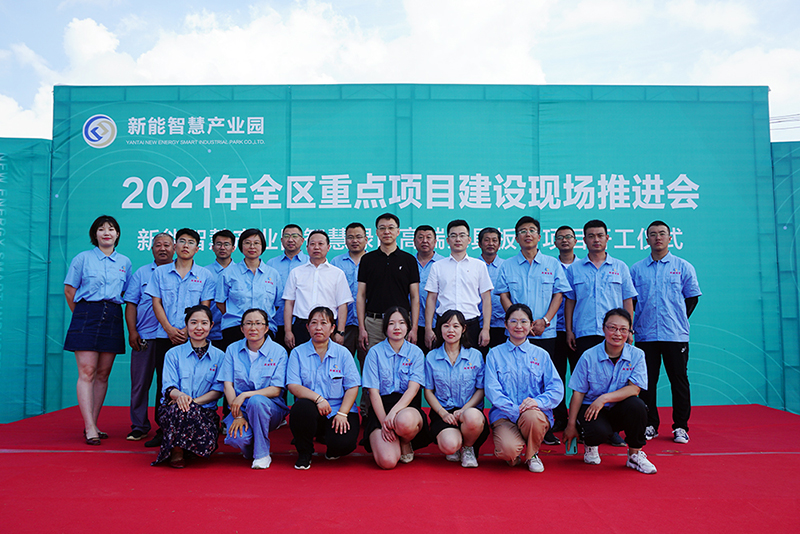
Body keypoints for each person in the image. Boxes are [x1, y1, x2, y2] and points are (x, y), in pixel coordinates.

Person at [495, 216, 570, 445]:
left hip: (545, 332)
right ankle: (515, 420)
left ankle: (545, 424)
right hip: (517, 334)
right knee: (517, 376)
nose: (527, 234)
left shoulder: (552, 264)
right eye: (522, 231)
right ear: (516, 238)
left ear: (539, 236)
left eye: (532, 230)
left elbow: (559, 294)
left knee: (546, 379)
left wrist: (545, 320)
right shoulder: (508, 265)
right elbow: (503, 295)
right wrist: (518, 323)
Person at [564, 220, 636, 448]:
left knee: (614, 382)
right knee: (586, 385)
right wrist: (569, 330)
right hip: (584, 332)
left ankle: (612, 430)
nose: (596, 239)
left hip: (615, 335)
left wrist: (629, 329)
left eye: (600, 235)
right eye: (591, 236)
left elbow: (627, 300)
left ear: (607, 238)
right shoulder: (575, 269)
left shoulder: (620, 267)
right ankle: (584, 426)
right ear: (584, 240)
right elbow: (570, 301)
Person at [631, 221, 701, 443]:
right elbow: (631, 302)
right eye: (653, 234)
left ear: (670, 238)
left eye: (662, 234)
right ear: (647, 239)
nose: (657, 237)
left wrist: (677, 319)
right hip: (645, 334)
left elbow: (692, 298)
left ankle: (680, 426)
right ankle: (650, 424)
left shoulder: (683, 267)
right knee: (647, 382)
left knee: (678, 380)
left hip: (674, 335)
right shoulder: (637, 269)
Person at [64, 215, 132, 445]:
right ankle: (89, 427)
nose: (106, 233)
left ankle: (93, 422)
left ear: (117, 234)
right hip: (86, 314)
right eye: (101, 229)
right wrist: (82, 315)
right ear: (95, 234)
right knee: (87, 371)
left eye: (111, 229)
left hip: (112, 315)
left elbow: (126, 293)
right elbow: (70, 291)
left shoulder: (125, 262)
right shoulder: (82, 258)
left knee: (103, 374)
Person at [145, 228, 216, 448]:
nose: (186, 245)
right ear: (175, 246)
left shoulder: (205, 275)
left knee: (195, 380)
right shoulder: (160, 273)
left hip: (193, 336)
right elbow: (156, 302)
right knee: (164, 382)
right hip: (165, 335)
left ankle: (195, 423)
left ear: (197, 248)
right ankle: (163, 428)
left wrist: (189, 330)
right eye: (182, 241)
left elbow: (205, 307)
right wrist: (168, 328)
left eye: (191, 242)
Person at [563, 308, 656, 474]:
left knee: (638, 406)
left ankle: (634, 454)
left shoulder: (637, 355)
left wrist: (604, 398)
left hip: (618, 407)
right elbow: (578, 393)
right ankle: (591, 445)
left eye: (623, 329)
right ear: (603, 328)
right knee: (598, 431)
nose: (617, 334)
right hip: (591, 409)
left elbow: (635, 388)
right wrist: (570, 425)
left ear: (629, 332)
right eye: (612, 328)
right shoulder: (589, 356)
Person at [485, 304, 563, 473]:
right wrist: (515, 410)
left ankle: (532, 454)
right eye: (513, 321)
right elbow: (492, 390)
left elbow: (556, 388)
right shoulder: (495, 354)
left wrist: (537, 402)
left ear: (531, 324)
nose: (518, 326)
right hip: (505, 414)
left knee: (532, 417)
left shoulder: (541, 355)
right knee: (508, 452)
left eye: (523, 321)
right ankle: (516, 446)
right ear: (506, 325)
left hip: (533, 414)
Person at [287, 306, 361, 469]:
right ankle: (305, 453)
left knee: (344, 444)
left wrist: (342, 413)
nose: (318, 328)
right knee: (301, 408)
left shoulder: (343, 353)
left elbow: (352, 386)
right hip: (311, 407)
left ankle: (330, 444)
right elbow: (293, 385)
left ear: (332, 328)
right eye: (314, 323)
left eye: (324, 323)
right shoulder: (297, 353)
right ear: (307, 327)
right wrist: (318, 399)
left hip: (337, 409)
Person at [152, 305, 224, 468]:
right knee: (178, 410)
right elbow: (168, 387)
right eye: (193, 322)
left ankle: (190, 446)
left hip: (204, 411)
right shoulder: (173, 354)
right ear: (186, 325)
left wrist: (192, 402)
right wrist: (180, 397)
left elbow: (218, 391)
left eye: (204, 323)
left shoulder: (220, 356)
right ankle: (177, 451)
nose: (199, 327)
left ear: (211, 325)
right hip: (174, 409)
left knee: (188, 410)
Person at [361, 306, 431, 469]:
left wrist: (393, 414)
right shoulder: (374, 353)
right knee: (387, 461)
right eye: (391, 323)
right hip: (381, 410)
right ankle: (391, 440)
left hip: (407, 408)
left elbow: (413, 389)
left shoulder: (416, 353)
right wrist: (385, 421)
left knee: (404, 422)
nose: (397, 327)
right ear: (385, 327)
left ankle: (405, 441)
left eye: (401, 323)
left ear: (408, 326)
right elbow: (373, 392)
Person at [221, 308, 289, 469]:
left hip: (269, 409)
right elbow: (228, 385)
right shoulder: (232, 350)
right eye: (248, 323)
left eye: (258, 323)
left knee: (256, 401)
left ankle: (262, 454)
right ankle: (251, 448)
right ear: (241, 328)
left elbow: (276, 390)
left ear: (266, 328)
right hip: (241, 409)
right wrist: (237, 415)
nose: (253, 328)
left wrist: (245, 395)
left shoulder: (279, 351)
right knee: (238, 438)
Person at [124, 232, 174, 441]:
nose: (162, 249)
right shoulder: (142, 273)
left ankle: (165, 426)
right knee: (140, 383)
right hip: (144, 336)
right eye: (158, 245)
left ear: (174, 248)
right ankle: (139, 425)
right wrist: (132, 331)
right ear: (151, 248)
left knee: (167, 385)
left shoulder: (179, 272)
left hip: (170, 338)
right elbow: (131, 303)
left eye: (167, 245)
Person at [424, 309, 489, 468]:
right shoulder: (431, 357)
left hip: (469, 411)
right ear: (440, 329)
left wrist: (464, 410)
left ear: (464, 329)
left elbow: (480, 389)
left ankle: (468, 447)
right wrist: (443, 413)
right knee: (449, 446)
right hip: (444, 413)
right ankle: (456, 442)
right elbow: (428, 391)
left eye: (456, 326)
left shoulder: (475, 355)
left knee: (472, 417)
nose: (450, 330)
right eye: (446, 326)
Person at [425, 219, 493, 350]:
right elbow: (431, 299)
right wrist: (428, 328)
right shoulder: (437, 266)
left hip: (471, 324)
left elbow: (486, 299)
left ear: (469, 239)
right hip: (444, 324)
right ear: (447, 240)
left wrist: (486, 329)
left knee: (473, 360)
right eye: (453, 235)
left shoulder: (479, 266)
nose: (458, 239)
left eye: (462, 235)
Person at [356, 213, 420, 353]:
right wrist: (362, 328)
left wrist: (414, 328)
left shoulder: (409, 260)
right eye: (382, 228)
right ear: (377, 232)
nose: (386, 232)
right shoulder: (367, 259)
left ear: (398, 231)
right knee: (373, 361)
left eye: (391, 228)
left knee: (402, 360)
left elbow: (415, 297)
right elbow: (361, 295)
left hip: (401, 323)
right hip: (374, 323)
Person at [283, 230, 352, 349]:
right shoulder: (296, 272)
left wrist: (340, 332)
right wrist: (288, 331)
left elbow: (342, 305)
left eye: (320, 244)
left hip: (328, 326)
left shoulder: (337, 273)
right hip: (302, 326)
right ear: (307, 247)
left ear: (328, 247)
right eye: (312, 244)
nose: (316, 247)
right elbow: (289, 303)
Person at [216, 228, 281, 351]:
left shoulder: (273, 274)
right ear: (241, 246)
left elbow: (277, 304)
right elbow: (220, 302)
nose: (252, 247)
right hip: (235, 327)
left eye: (256, 243)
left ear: (263, 246)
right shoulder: (228, 273)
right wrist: (236, 315)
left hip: (265, 329)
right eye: (247, 243)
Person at [551, 225, 579, 434]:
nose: (565, 240)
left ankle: (581, 418)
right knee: (557, 375)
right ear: (554, 242)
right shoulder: (550, 265)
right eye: (560, 237)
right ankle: (560, 417)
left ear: (575, 241)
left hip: (579, 330)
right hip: (553, 329)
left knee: (582, 376)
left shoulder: (584, 266)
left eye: (568, 237)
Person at [266, 224, 308, 350]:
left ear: (302, 240)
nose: (290, 239)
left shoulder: (309, 262)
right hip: (277, 320)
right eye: (286, 236)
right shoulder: (271, 264)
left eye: (295, 236)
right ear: (281, 240)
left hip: (302, 321)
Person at [330, 222, 368, 359]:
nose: (354, 241)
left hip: (367, 323)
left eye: (358, 237)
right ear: (345, 240)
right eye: (350, 237)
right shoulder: (336, 262)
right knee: (340, 362)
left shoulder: (373, 261)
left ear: (366, 239)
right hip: (342, 324)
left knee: (368, 363)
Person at [413, 225, 445, 354]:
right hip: (412, 324)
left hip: (438, 323)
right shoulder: (408, 262)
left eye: (428, 237)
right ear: (414, 241)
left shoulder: (443, 263)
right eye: (420, 237)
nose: (424, 241)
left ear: (435, 241)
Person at [204, 229, 236, 345]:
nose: (222, 248)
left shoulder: (240, 272)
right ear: (213, 247)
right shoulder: (204, 272)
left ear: (233, 248)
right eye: (219, 244)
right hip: (209, 332)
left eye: (226, 244)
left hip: (234, 329)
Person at [478, 227, 506, 354]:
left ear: (499, 244)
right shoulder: (472, 266)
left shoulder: (507, 266)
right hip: (478, 324)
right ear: (479, 244)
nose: (490, 243)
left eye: (494, 240)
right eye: (487, 240)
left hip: (502, 324)